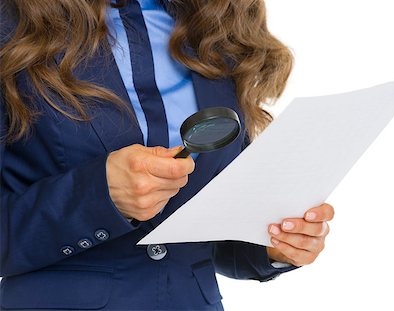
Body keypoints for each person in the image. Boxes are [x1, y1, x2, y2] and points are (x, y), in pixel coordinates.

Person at [0, 0, 335, 310]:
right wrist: (97, 197)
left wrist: (273, 244)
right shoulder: (10, 23)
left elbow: (209, 235)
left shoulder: (217, 23)